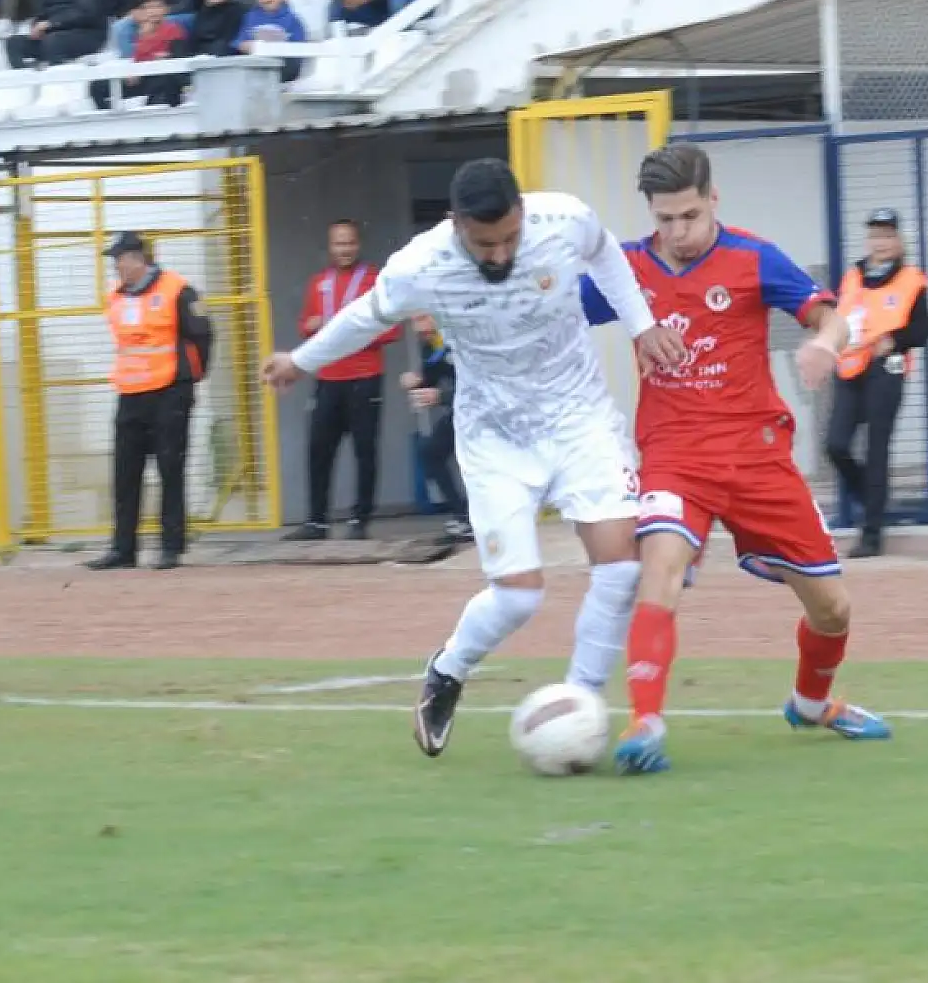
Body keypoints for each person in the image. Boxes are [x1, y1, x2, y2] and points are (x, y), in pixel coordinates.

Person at [262, 159, 687, 759]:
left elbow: (607, 253)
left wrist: (641, 326)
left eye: (510, 238)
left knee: (620, 568)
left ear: (523, 212)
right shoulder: (422, 264)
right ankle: (447, 672)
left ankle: (579, 700)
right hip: (495, 438)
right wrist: (302, 361)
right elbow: (365, 317)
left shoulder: (563, 219)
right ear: (455, 224)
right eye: (485, 244)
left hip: (579, 419)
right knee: (518, 597)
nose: (499, 254)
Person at [581, 143, 892, 776]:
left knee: (833, 608)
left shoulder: (753, 257)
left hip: (757, 456)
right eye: (664, 219)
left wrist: (824, 348)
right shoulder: (628, 268)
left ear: (713, 200)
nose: (678, 233)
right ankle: (646, 721)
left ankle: (810, 704)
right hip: (674, 454)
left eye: (689, 217)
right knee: (659, 568)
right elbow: (553, 313)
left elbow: (830, 316)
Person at [86, 231, 213, 572]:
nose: (117, 267)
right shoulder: (114, 296)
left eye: (121, 259)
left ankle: (171, 547)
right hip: (130, 395)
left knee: (171, 470)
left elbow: (202, 334)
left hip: (169, 392)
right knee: (125, 474)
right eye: (115, 260)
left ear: (138, 258)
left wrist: (187, 382)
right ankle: (123, 549)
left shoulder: (177, 289)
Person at [825, 208, 928, 558]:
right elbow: (836, 317)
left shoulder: (911, 280)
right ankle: (872, 499)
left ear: (899, 241)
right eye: (875, 235)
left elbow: (924, 329)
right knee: (835, 444)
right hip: (850, 366)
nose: (880, 242)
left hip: (887, 369)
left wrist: (894, 339)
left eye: (887, 236)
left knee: (876, 448)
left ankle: (871, 534)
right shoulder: (852, 277)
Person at [282, 219, 400, 542]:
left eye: (349, 243)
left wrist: (355, 333)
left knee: (364, 450)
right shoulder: (319, 282)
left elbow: (393, 327)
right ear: (329, 247)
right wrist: (314, 325)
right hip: (328, 377)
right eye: (338, 243)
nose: (344, 249)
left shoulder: (375, 280)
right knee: (318, 449)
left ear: (358, 245)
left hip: (365, 377)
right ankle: (316, 521)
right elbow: (305, 324)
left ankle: (360, 519)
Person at [401, 313, 471, 544]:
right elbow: (431, 379)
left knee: (476, 462)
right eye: (414, 321)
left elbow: (479, 385)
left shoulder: (462, 338)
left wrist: (441, 396)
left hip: (487, 411)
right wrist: (417, 382)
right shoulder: (431, 345)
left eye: (422, 318)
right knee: (430, 452)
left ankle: (482, 518)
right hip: (461, 409)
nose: (418, 328)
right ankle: (462, 515)